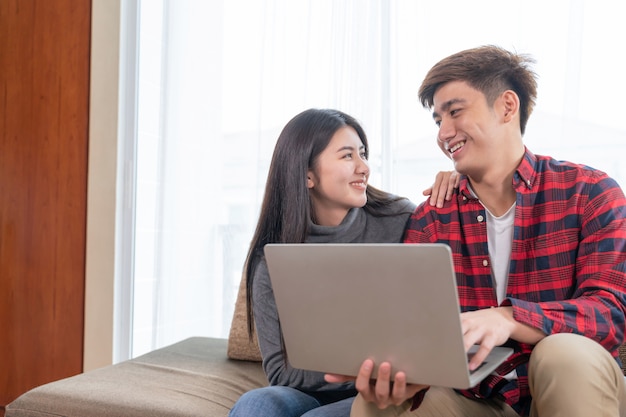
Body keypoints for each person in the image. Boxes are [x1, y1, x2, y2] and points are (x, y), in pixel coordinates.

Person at [326, 45, 626, 417]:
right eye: (438, 121)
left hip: (572, 382)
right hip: (479, 396)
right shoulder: (432, 217)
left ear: (507, 106)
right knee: (373, 404)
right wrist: (401, 374)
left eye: (455, 112)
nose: (444, 133)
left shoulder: (590, 192)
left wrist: (508, 318)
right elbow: (413, 330)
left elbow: (608, 315)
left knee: (562, 353)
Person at [228, 108, 458, 417]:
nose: (364, 167)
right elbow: (281, 373)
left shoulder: (398, 218)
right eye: (347, 156)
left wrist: (462, 184)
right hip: (304, 394)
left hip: (385, 395)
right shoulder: (271, 258)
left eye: (362, 154)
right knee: (256, 403)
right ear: (307, 174)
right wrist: (355, 370)